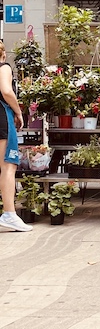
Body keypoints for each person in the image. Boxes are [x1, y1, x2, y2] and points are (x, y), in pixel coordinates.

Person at [0, 40, 32, 231]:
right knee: (8, 166)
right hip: (2, 116)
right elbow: (6, 90)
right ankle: (9, 214)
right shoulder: (3, 67)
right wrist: (18, 112)